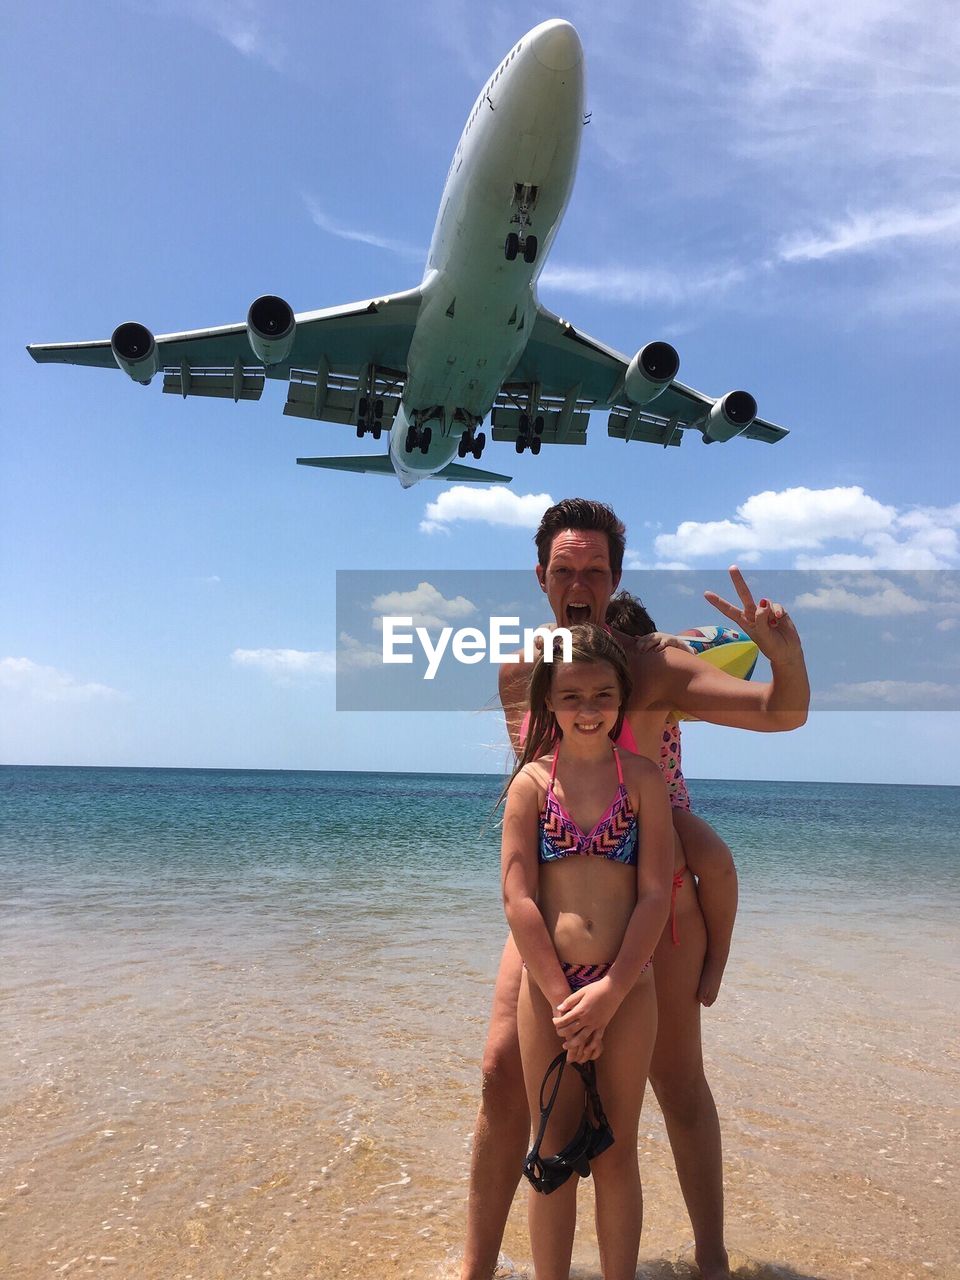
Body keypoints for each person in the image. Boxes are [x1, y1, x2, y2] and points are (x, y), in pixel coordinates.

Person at [461, 498, 809, 1280]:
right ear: (542, 577)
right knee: (498, 1073)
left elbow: (781, 712)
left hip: (656, 911)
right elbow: (536, 792)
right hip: (558, 914)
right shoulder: (522, 673)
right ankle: (473, 1270)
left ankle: (711, 1261)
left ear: (615, 576)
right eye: (564, 569)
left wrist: (782, 656)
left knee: (676, 1084)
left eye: (595, 569)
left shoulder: (654, 665)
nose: (579, 581)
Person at [501, 624, 674, 1280]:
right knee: (550, 1154)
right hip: (551, 993)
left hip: (627, 988)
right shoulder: (530, 786)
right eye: (572, 696)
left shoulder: (643, 781)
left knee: (615, 1153)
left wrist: (610, 993)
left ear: (621, 700)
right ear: (547, 702)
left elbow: (655, 896)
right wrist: (562, 1000)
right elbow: (518, 899)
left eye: (603, 694)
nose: (589, 708)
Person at [604, 591, 738, 1008]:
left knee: (717, 862)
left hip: (670, 803)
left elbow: (731, 638)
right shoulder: (603, 700)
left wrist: (682, 644)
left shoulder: (666, 689)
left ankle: (717, 957)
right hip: (624, 809)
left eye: (638, 653)